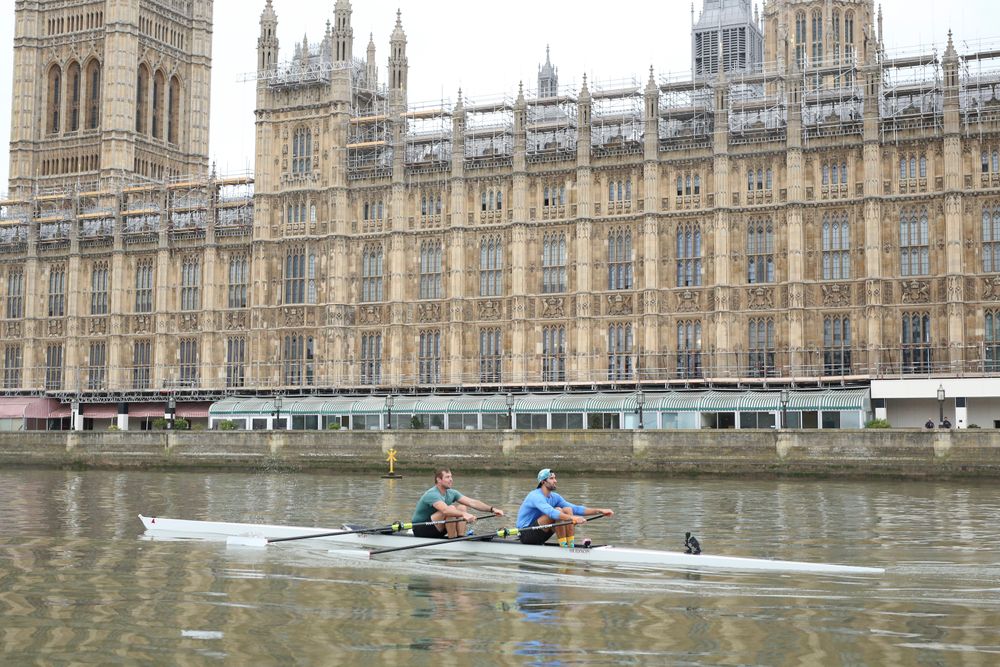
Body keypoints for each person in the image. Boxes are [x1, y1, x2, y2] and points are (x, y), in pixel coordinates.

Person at [516, 468, 613, 548]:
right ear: (543, 482)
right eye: (552, 478)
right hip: (526, 534)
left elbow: (576, 509)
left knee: (568, 509)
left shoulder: (555, 497)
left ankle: (569, 544)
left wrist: (600, 511)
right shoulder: (535, 496)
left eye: (555, 478)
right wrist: (573, 518)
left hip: (542, 532)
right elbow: (551, 513)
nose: (555, 481)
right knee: (558, 511)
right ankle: (564, 547)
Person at [412, 468, 504, 539]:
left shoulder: (452, 493)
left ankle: (460, 538)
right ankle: (453, 540)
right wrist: (464, 515)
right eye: (447, 477)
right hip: (421, 528)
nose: (451, 479)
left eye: (451, 477)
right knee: (451, 509)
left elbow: (472, 502)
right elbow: (445, 510)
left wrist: (492, 509)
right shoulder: (432, 494)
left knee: (462, 507)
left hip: (437, 526)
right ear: (439, 480)